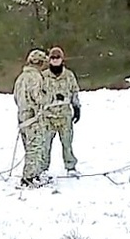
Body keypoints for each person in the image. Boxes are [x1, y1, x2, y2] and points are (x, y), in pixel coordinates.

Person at [13, 50, 50, 187]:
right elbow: (38, 97)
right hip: (33, 117)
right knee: (35, 148)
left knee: (29, 148)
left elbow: (16, 97)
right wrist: (48, 98)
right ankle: (28, 178)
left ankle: (33, 175)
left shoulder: (21, 77)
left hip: (22, 117)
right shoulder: (36, 77)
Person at [45, 47, 80, 176]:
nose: (55, 60)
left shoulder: (69, 76)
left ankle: (70, 167)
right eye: (52, 58)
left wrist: (76, 108)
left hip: (65, 116)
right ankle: (43, 169)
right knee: (45, 145)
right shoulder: (43, 77)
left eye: (57, 58)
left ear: (62, 59)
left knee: (67, 143)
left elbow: (74, 92)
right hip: (49, 116)